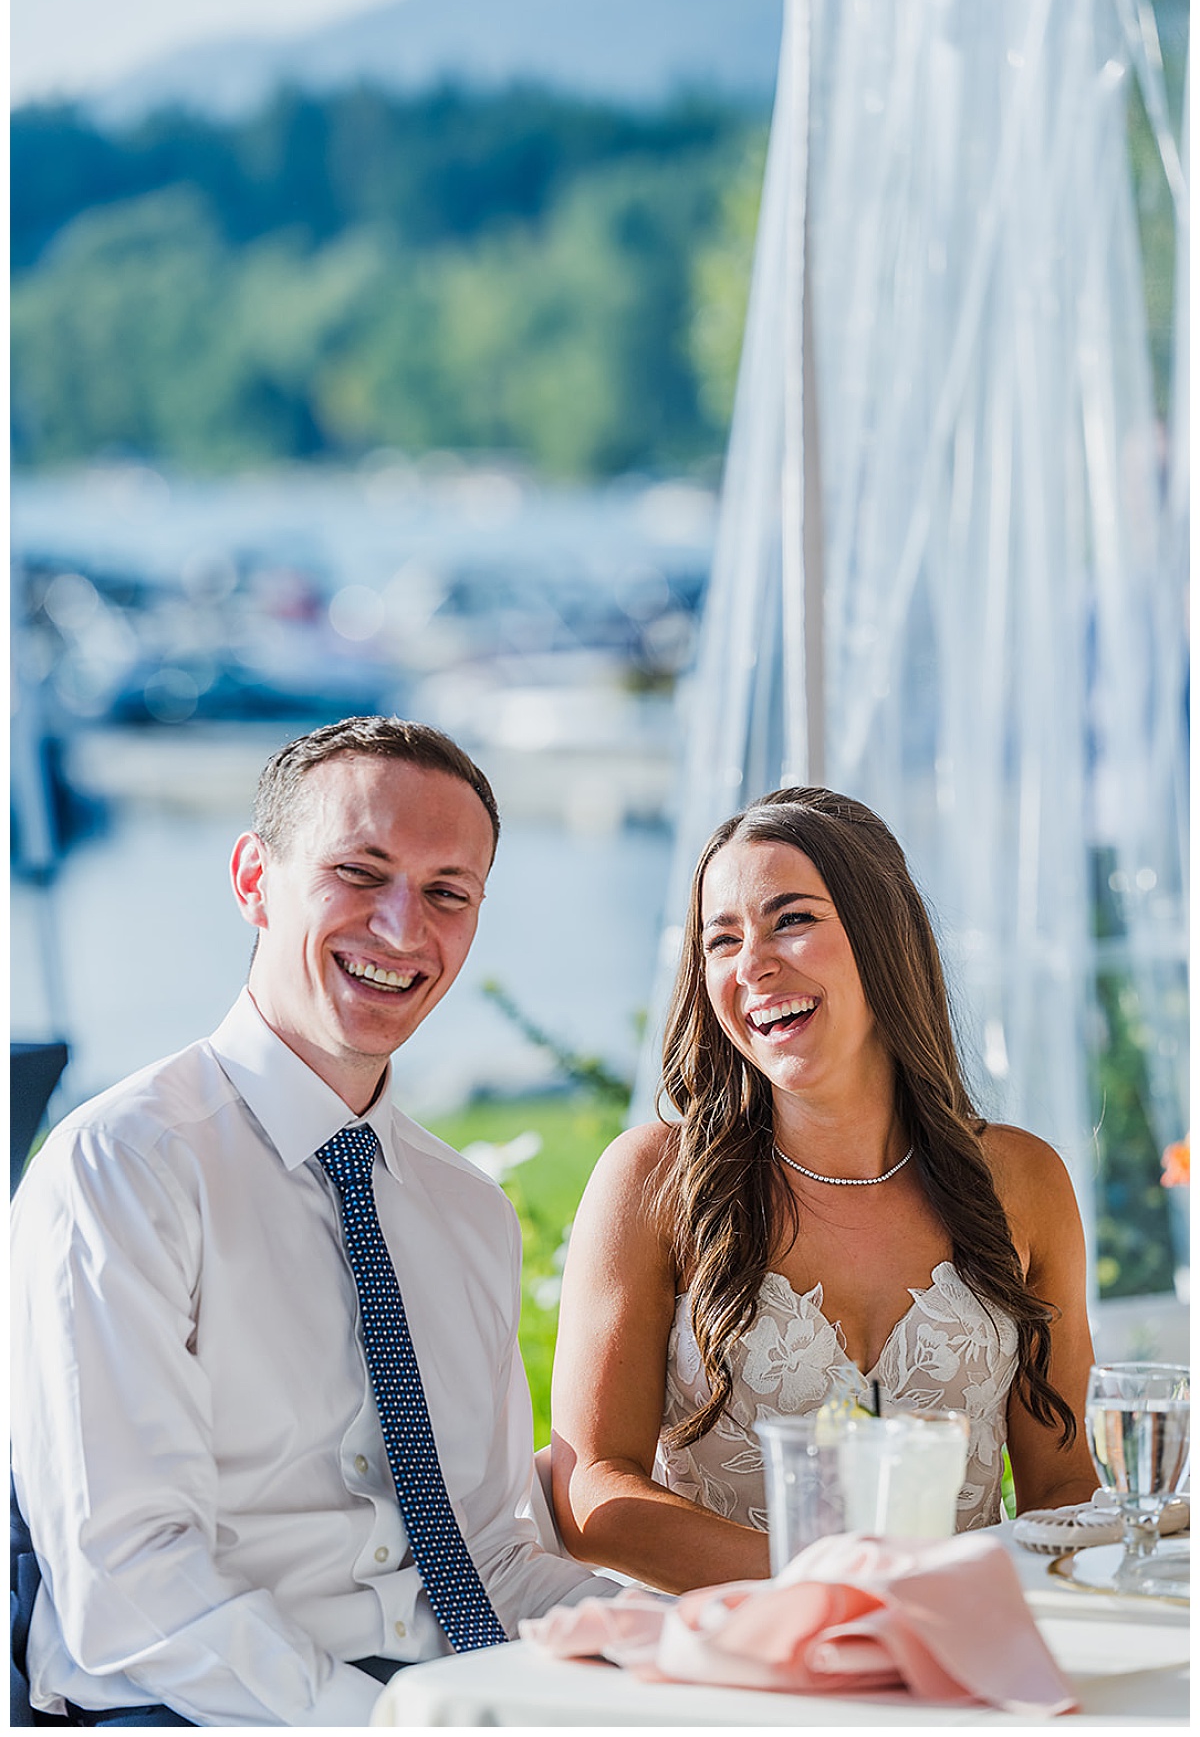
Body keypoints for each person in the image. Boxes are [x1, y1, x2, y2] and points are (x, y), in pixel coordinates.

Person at [11, 717, 619, 1727]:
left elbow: (492, 1560)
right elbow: (129, 1583)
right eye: (359, 872)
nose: (401, 928)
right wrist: (379, 1724)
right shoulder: (121, 1169)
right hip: (191, 1713)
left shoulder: (467, 1213)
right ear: (254, 878)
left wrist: (690, 1642)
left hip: (443, 1699)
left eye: (446, 893)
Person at [550, 786, 1100, 1594]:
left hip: (960, 1665)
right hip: (725, 1666)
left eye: (793, 920)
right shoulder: (654, 1179)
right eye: (722, 939)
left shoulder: (1022, 1180)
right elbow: (590, 1489)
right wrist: (837, 1583)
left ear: (886, 937)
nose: (755, 965)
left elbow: (1061, 1489)